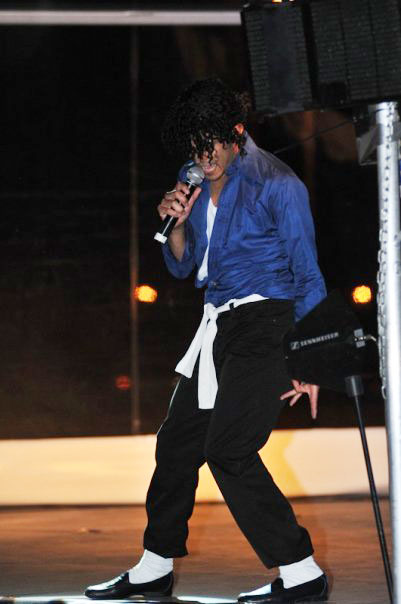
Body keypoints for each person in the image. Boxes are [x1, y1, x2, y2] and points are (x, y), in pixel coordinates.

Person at [85, 78, 328, 603]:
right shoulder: (190, 180)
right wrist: (174, 226)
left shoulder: (277, 182)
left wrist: (310, 358)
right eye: (194, 147)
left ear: (235, 131)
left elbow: (308, 274)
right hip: (218, 325)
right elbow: (186, 265)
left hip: (268, 323)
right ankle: (155, 567)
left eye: (211, 144)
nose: (203, 157)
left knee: (229, 448)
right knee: (176, 444)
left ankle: (301, 572)